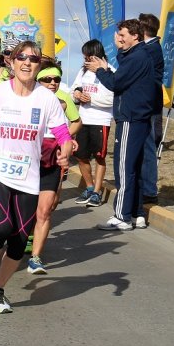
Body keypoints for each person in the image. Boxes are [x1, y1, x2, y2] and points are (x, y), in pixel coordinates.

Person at [0, 41, 72, 313]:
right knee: (1, 226)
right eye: (22, 57)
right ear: (11, 61)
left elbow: (63, 134)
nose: (27, 63)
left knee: (20, 239)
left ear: (38, 65)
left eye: (33, 59)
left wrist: (65, 152)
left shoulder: (46, 98)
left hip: (28, 177)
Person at [85, 19, 157, 231]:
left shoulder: (137, 57)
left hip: (131, 118)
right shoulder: (137, 56)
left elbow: (115, 83)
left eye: (123, 35)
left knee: (124, 168)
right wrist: (111, 63)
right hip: (137, 118)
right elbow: (123, 79)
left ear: (136, 35)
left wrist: (100, 70)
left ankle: (122, 216)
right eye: (118, 35)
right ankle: (137, 214)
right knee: (133, 167)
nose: (119, 39)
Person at [26, 61, 81, 274]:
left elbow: (76, 121)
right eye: (47, 79)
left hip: (53, 159)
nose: (52, 83)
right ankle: (21, 239)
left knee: (46, 210)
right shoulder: (26, 98)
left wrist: (67, 140)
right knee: (24, 211)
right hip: (27, 160)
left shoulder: (64, 100)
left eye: (56, 79)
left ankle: (36, 258)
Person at [70, 40, 114, 208]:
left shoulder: (110, 71)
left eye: (89, 56)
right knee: (81, 156)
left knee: (99, 157)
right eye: (84, 57)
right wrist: (77, 95)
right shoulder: (83, 71)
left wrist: (92, 99)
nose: (86, 59)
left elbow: (112, 97)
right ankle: (89, 187)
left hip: (100, 121)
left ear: (97, 55)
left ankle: (97, 191)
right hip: (83, 119)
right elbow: (73, 89)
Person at [138, 13, 165, 204]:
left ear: (143, 29)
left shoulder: (151, 49)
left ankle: (149, 190)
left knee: (148, 148)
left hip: (148, 106)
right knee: (145, 147)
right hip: (147, 105)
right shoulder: (150, 48)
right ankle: (146, 187)